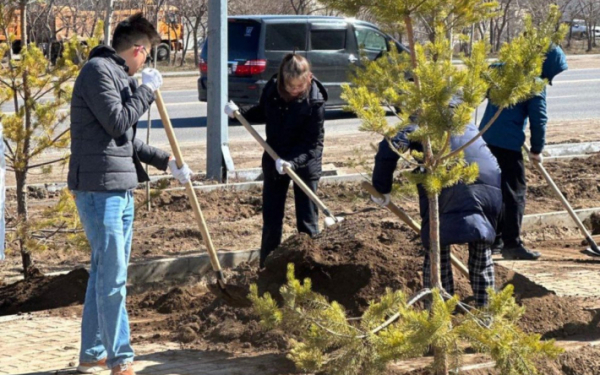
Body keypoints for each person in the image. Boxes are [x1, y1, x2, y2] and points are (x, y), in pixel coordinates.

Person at [68, 14, 191, 375]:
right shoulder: (97, 72)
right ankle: (121, 359)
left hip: (119, 187)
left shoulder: (118, 76)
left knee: (105, 274)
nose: (146, 62)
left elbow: (124, 141)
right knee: (114, 277)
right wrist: (147, 91)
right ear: (139, 49)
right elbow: (118, 121)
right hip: (98, 189)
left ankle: (92, 352)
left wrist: (165, 160)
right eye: (147, 54)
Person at [371, 101, 502, 307]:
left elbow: (390, 149)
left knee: (437, 249)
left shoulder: (419, 123)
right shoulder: (465, 122)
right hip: (488, 180)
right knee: (481, 245)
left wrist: (381, 188)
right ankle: (488, 314)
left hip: (446, 184)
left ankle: (438, 314)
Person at [224, 53, 328, 268]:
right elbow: (264, 112)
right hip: (274, 156)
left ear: (308, 79)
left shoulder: (315, 100)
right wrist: (239, 113)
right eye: (290, 87)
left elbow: (312, 144)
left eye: (299, 87)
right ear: (282, 80)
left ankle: (309, 269)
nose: (293, 91)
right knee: (271, 219)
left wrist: (292, 162)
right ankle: (268, 268)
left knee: (306, 222)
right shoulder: (273, 89)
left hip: (305, 162)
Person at [479, 45, 568, 260]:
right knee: (514, 193)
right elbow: (539, 120)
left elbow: (482, 83)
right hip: (507, 145)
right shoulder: (534, 83)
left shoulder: (501, 69)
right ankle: (512, 244)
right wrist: (537, 149)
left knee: (497, 191)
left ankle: (497, 240)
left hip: (484, 139)